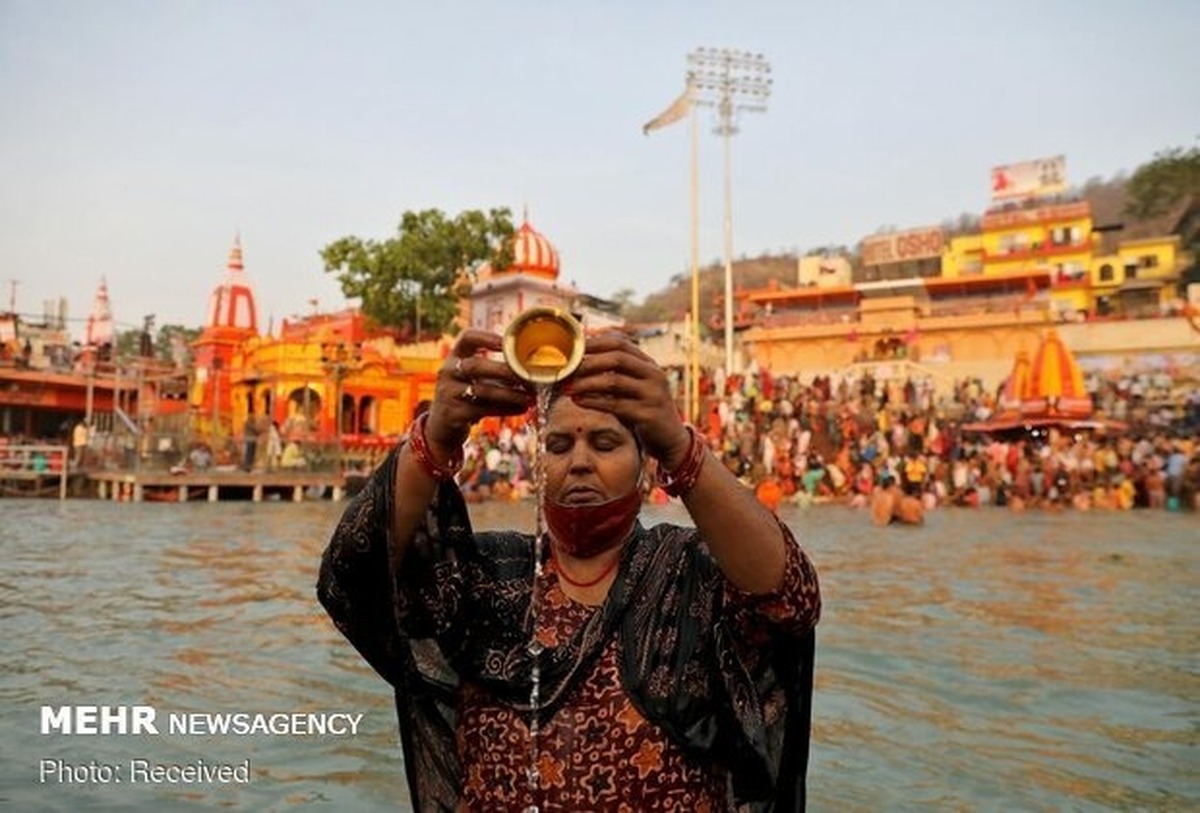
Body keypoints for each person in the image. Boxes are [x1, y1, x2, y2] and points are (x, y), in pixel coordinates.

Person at [318, 329, 821, 811]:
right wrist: (438, 433)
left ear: (646, 468)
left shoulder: (688, 572)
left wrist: (677, 445)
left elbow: (792, 601)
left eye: (605, 444)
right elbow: (349, 579)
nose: (579, 461)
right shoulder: (486, 575)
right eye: (559, 446)